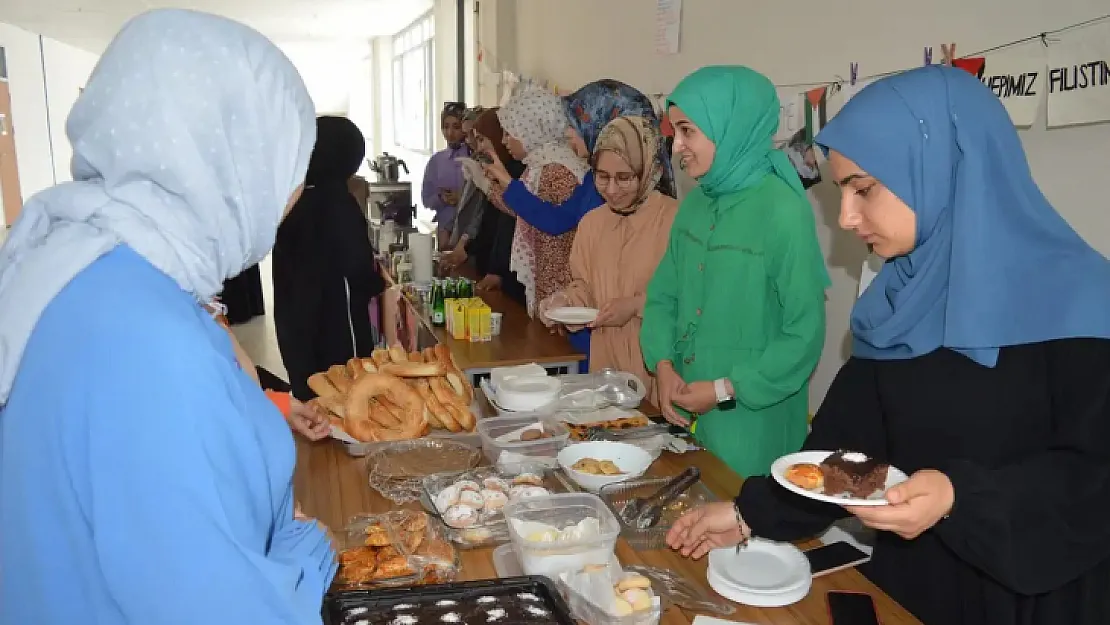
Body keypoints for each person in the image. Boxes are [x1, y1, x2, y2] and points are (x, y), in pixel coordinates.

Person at [666, 65, 1110, 625]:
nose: (848, 219)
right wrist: (750, 513)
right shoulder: (900, 298)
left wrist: (958, 498)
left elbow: (1093, 479)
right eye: (841, 192)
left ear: (943, 168)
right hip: (915, 589)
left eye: (865, 190)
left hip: (1032, 596)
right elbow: (850, 455)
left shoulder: (1084, 306)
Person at [0, 10, 335, 624]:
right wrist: (306, 549)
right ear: (233, 154)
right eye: (289, 163)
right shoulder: (149, 339)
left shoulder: (73, 263)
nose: (290, 195)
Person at [640, 66, 829, 478]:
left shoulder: (783, 211)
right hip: (687, 414)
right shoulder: (695, 203)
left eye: (688, 132)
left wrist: (726, 390)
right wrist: (665, 366)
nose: (678, 148)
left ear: (731, 126)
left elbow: (804, 332)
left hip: (754, 423)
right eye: (676, 133)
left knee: (742, 527)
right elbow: (663, 297)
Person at [539, 116, 677, 402]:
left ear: (651, 171)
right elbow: (585, 287)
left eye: (625, 177)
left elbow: (693, 300)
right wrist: (565, 303)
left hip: (661, 366)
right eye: (602, 176)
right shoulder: (592, 223)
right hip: (606, 367)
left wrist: (637, 305)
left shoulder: (677, 221)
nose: (612, 190)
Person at [272, 115, 385, 401]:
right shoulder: (335, 199)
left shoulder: (292, 197)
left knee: (310, 380)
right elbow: (356, 262)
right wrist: (375, 283)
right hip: (335, 315)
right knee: (344, 387)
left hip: (295, 312)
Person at [480, 79, 675, 238]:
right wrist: (505, 182)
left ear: (601, 126)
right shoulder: (594, 177)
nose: (568, 134)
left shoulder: (654, 203)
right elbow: (558, 220)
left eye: (577, 124)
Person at [492, 83, 590, 318]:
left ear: (530, 130)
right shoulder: (538, 166)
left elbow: (553, 222)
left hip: (561, 281)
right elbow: (523, 210)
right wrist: (493, 183)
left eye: (510, 132)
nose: (505, 140)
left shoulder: (557, 169)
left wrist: (506, 181)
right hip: (549, 275)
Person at [422, 101, 469, 244]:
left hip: (469, 235)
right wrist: (442, 198)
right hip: (444, 234)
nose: (450, 133)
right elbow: (426, 199)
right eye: (445, 127)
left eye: (456, 127)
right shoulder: (436, 161)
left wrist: (461, 197)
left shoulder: (473, 157)